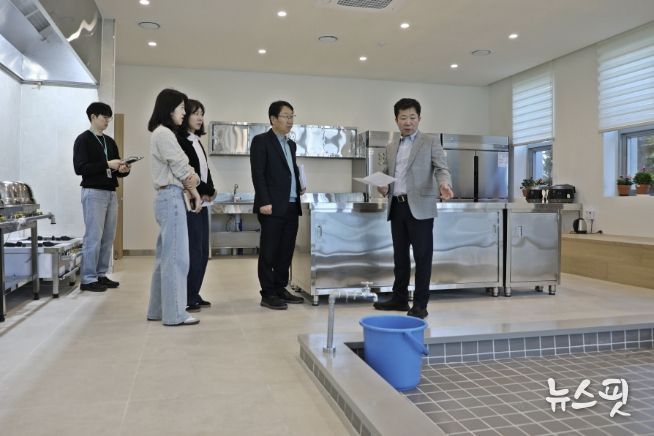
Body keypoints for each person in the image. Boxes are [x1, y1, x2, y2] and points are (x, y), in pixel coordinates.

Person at [373, 98, 454, 319]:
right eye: (403, 118)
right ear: (396, 120)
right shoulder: (391, 146)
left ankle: (420, 304)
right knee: (400, 257)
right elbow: (388, 173)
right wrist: (383, 186)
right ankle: (399, 298)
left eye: (412, 117)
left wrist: (444, 185)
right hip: (397, 206)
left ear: (419, 118)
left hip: (420, 207)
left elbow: (442, 168)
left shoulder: (430, 142)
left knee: (422, 257)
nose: (408, 122)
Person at [147, 88, 203, 326]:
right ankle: (175, 313)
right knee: (176, 257)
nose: (184, 113)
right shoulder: (165, 134)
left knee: (165, 257)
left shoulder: (161, 133)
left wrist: (192, 180)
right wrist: (195, 187)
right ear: (169, 109)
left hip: (167, 197)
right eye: (181, 108)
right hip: (171, 197)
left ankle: (158, 309)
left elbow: (184, 170)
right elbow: (183, 169)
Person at [250, 101, 305, 310]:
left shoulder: (291, 145)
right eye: (286, 116)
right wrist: (264, 201)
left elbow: (290, 172)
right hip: (271, 206)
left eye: (292, 116)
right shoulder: (261, 141)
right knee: (269, 251)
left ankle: (280, 287)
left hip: (291, 205)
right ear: (273, 119)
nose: (290, 121)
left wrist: (299, 185)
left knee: (286, 251)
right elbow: (258, 173)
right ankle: (268, 293)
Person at [73, 102, 130, 292]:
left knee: (108, 236)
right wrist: (107, 164)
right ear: (93, 117)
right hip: (93, 192)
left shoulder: (110, 141)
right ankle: (88, 279)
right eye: (104, 117)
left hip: (111, 192)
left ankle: (101, 274)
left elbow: (116, 170)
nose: (107, 121)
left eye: (109, 118)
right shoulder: (83, 139)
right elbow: (80, 168)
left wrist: (123, 169)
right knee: (93, 237)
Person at [176, 99, 216, 312]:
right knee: (193, 250)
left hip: (203, 202)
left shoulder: (197, 141)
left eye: (202, 113)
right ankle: (187, 295)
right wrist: (207, 190)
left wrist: (211, 190)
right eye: (195, 113)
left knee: (202, 250)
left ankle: (194, 292)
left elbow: (205, 171)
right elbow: (190, 174)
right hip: (191, 202)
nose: (200, 118)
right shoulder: (181, 141)